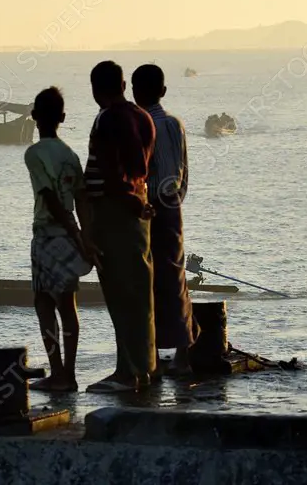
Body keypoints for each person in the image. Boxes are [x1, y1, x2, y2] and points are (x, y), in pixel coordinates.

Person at [83, 61, 157, 394]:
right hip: (138, 209)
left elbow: (114, 173)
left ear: (96, 90)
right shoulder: (144, 117)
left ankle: (128, 372)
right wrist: (139, 200)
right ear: (124, 84)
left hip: (115, 211)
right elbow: (144, 169)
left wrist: (125, 199)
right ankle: (144, 367)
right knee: (140, 291)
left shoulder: (108, 119)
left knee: (120, 291)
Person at [23, 87, 97, 393]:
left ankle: (58, 373)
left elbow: (49, 198)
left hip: (47, 235)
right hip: (70, 236)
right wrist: (84, 238)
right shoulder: (71, 155)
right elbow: (81, 200)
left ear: (34, 117)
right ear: (63, 118)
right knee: (68, 304)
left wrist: (74, 231)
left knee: (43, 303)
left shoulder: (34, 154)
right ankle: (70, 372)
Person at [131, 64, 197, 375]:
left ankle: (164, 356)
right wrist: (175, 199)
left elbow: (146, 173)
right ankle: (181, 351)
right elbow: (184, 169)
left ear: (134, 92)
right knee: (175, 276)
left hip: (154, 208)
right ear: (164, 91)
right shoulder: (175, 124)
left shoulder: (144, 126)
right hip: (173, 207)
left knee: (155, 282)